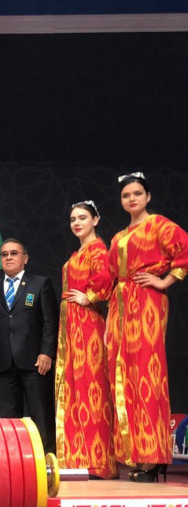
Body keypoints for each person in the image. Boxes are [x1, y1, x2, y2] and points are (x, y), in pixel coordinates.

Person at [106, 172, 188, 482]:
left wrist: (164, 280)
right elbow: (112, 275)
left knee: (147, 375)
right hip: (121, 306)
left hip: (147, 303)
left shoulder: (160, 225)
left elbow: (184, 251)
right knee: (124, 378)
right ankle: (136, 454)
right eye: (126, 195)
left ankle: (153, 457)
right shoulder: (118, 237)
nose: (132, 199)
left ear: (148, 196)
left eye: (137, 193)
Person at [54, 201, 117, 479]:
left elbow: (105, 279)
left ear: (96, 220)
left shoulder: (98, 249)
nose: (77, 223)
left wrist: (89, 296)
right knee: (74, 388)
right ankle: (77, 458)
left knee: (92, 388)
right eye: (73, 219)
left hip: (87, 325)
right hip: (71, 327)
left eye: (82, 218)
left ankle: (98, 462)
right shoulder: (79, 252)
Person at [0, 238, 58, 454]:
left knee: (41, 415)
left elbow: (50, 323)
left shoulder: (40, 283)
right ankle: (13, 462)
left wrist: (46, 353)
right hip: (3, 363)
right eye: (4, 254)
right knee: (9, 422)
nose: (9, 257)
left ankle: (47, 461)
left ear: (25, 258)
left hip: (35, 362)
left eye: (14, 253)